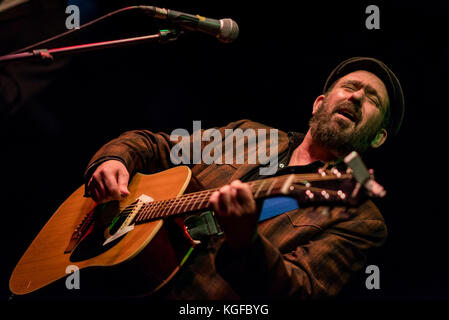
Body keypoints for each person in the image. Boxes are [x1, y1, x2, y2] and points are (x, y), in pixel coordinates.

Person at [84, 57, 404, 299]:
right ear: (320, 103)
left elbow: (301, 291)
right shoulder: (249, 134)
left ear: (378, 138)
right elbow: (159, 146)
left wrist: (247, 244)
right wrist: (114, 159)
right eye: (349, 87)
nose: (357, 97)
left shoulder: (361, 219)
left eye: (372, 99)